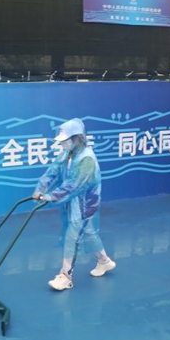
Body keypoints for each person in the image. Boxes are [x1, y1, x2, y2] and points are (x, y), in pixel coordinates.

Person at [32, 118, 115, 291]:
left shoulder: (87, 159)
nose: (61, 143)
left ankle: (65, 276)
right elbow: (52, 172)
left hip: (86, 204)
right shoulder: (67, 154)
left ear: (77, 138)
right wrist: (40, 189)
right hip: (74, 202)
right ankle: (104, 261)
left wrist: (49, 197)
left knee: (72, 236)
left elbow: (73, 186)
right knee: (90, 233)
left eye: (65, 140)